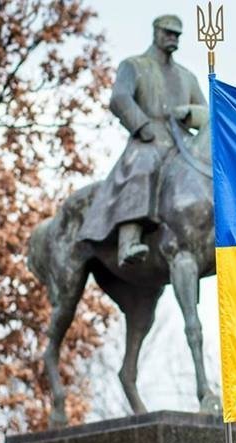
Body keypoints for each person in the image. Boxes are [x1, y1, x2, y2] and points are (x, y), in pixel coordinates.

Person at [78, 14, 206, 266]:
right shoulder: (134, 65)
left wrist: (190, 112)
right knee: (143, 166)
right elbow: (120, 98)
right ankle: (129, 240)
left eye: (176, 34)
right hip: (148, 139)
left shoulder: (187, 76)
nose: (172, 38)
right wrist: (141, 124)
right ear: (156, 32)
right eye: (168, 32)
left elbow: (205, 111)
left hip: (181, 142)